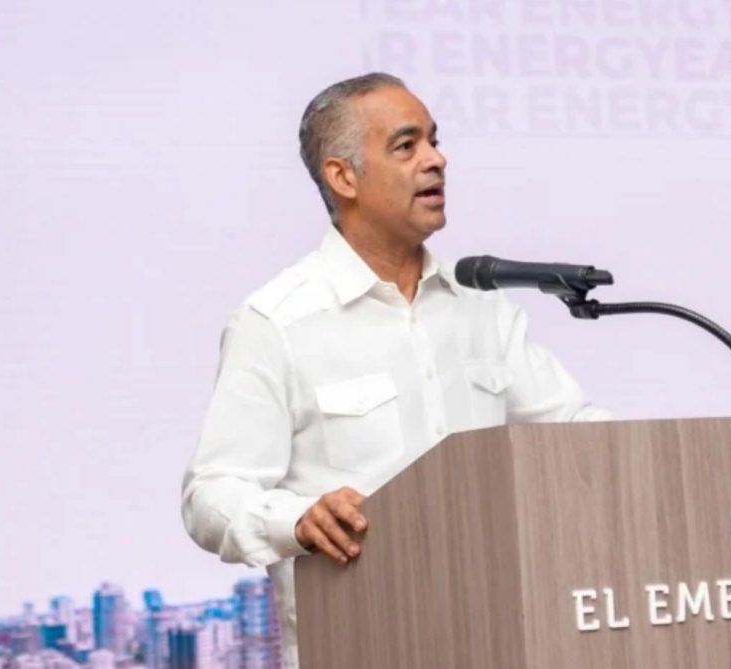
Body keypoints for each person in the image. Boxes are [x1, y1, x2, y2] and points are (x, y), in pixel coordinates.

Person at [181, 72, 610, 669]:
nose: (436, 160)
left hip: (500, 640)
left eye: (434, 140)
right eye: (407, 146)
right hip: (361, 644)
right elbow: (211, 495)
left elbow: (577, 434)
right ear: (343, 177)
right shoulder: (277, 322)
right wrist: (297, 520)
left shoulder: (481, 305)